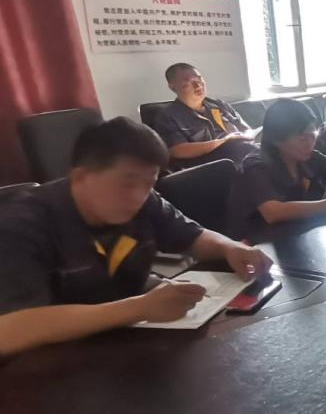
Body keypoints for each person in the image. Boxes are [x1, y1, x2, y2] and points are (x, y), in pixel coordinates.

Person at [0, 118, 272, 356]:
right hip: (48, 366)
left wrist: (230, 247)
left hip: (124, 345)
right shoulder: (20, 224)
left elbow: (193, 237)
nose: (139, 196)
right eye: (127, 182)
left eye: (149, 183)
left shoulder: (143, 200)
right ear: (80, 177)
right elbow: (10, 330)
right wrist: (137, 309)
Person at [229, 99, 326, 238]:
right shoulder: (256, 165)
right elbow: (273, 212)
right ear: (276, 139)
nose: (310, 144)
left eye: (313, 136)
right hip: (259, 242)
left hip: (298, 234)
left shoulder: (308, 157)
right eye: (302, 139)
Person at [152, 63, 256, 168]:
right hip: (210, 166)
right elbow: (177, 150)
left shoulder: (219, 105)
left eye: (199, 79)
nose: (198, 86)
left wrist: (247, 136)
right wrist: (222, 142)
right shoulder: (168, 116)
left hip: (244, 155)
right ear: (172, 87)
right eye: (188, 82)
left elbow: (247, 129)